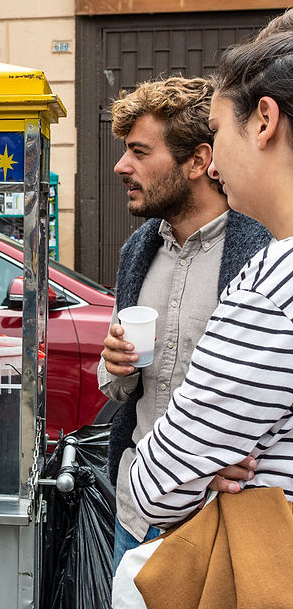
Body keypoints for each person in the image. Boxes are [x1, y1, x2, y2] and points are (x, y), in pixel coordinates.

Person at [97, 76, 271, 569]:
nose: (121, 166)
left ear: (198, 161)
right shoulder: (139, 251)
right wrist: (117, 366)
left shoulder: (263, 252)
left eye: (138, 151)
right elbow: (119, 388)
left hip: (225, 517)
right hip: (136, 517)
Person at [127, 17, 293, 529]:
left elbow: (155, 488)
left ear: (264, 121)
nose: (217, 162)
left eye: (218, 132)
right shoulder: (139, 249)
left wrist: (193, 461)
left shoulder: (272, 283)